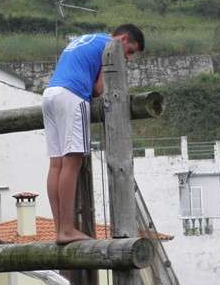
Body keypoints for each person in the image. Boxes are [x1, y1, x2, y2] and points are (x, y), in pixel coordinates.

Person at [42, 24, 145, 245]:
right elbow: (99, 89)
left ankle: (60, 229)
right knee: (73, 162)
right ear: (124, 39)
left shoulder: (88, 38)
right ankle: (67, 230)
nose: (127, 58)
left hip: (51, 95)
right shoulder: (110, 47)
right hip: (73, 96)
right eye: (130, 52)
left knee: (56, 164)